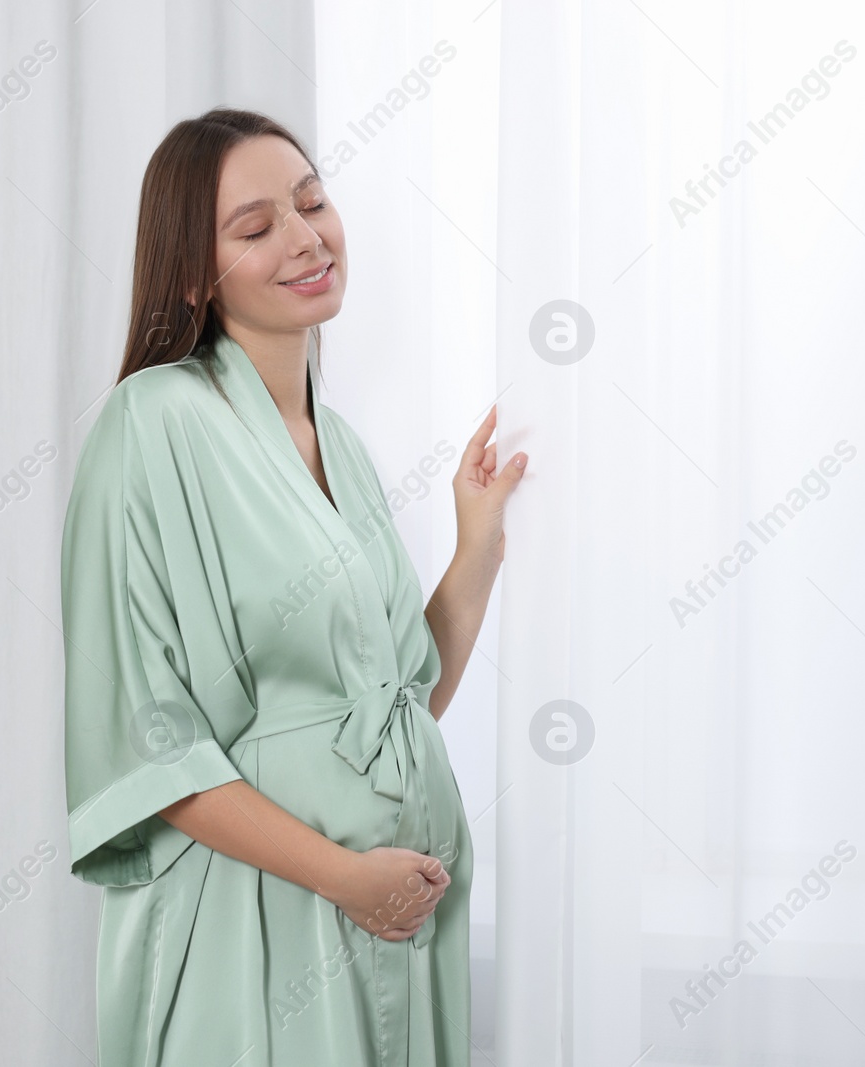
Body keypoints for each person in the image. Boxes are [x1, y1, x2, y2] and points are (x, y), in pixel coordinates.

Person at [60, 106, 527, 1066]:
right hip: (255, 911)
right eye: (256, 225)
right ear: (193, 271)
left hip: (393, 911)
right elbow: (150, 744)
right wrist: (346, 878)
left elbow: (395, 702)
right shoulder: (151, 424)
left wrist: (474, 548)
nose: (307, 236)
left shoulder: (340, 447)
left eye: (312, 202)